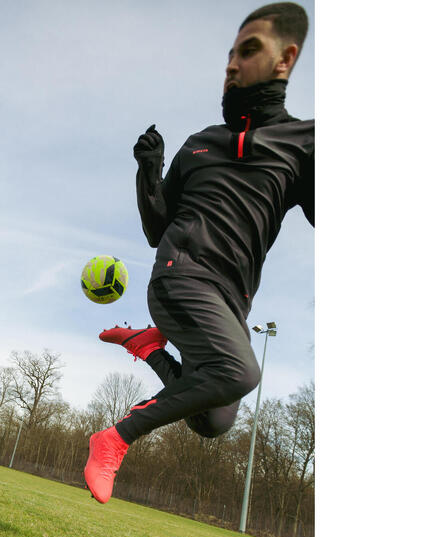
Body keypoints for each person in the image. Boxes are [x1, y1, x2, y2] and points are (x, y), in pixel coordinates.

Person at [84, 2, 314, 504]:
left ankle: (146, 347)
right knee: (240, 372)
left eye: (248, 51)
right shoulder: (200, 145)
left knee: (213, 419)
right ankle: (114, 438)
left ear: (285, 59)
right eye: (230, 53)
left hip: (231, 303)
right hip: (178, 276)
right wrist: (149, 168)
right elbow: (155, 228)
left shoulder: (304, 144)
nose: (231, 64)